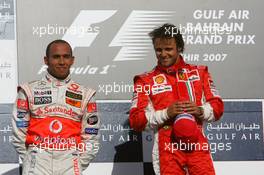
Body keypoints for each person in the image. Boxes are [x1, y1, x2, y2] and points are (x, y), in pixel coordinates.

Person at [129, 23, 224, 175]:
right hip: (167, 150)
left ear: (179, 47)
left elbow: (217, 107)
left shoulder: (200, 73)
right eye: (158, 50)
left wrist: (200, 110)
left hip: (197, 147)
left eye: (168, 49)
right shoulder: (145, 80)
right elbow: (136, 120)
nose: (163, 54)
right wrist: (166, 113)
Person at [12, 39, 100, 175]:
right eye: (56, 57)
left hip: (70, 162)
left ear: (72, 60)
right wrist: (31, 157)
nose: (61, 62)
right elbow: (19, 133)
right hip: (37, 161)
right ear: (46, 60)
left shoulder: (85, 93)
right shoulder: (28, 90)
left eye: (66, 57)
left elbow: (91, 135)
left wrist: (77, 162)